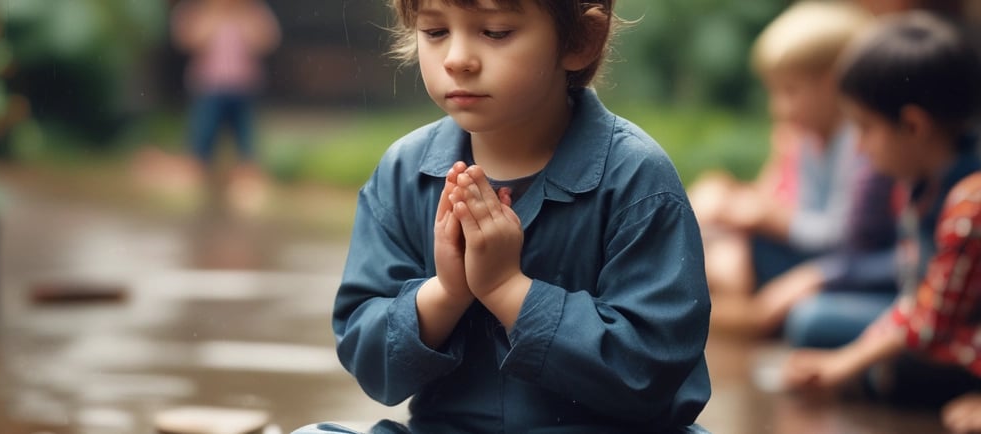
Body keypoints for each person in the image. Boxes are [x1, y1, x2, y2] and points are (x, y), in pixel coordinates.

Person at [295, 0, 711, 432]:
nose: (457, 59)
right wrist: (446, 293)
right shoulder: (403, 172)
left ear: (581, 41)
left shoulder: (636, 176)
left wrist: (507, 289)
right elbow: (370, 361)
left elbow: (651, 372)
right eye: (435, 32)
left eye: (495, 32)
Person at [781, 12, 981, 434]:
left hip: (960, 341)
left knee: (886, 365)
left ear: (913, 125)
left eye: (865, 128)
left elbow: (929, 322)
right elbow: (916, 298)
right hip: (940, 328)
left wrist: (845, 363)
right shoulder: (914, 184)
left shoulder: (970, 203)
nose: (858, 148)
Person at [695, 1, 884, 335]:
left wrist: (774, 219)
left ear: (833, 86)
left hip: (841, 263)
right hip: (810, 253)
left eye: (790, 92)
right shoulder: (811, 140)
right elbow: (804, 210)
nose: (778, 108)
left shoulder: (857, 143)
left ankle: (734, 318)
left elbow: (842, 234)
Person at [170, 0, 280, 213]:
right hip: (209, 88)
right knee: (203, 136)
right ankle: (196, 177)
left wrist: (246, 22)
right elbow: (186, 38)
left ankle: (247, 182)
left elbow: (268, 40)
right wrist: (212, 21)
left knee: (245, 140)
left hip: (243, 88)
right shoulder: (201, 11)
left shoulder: (253, 13)